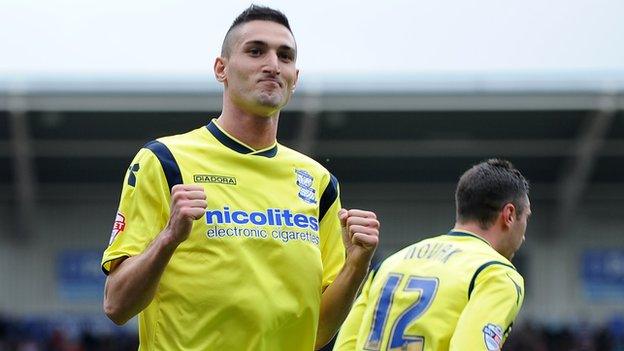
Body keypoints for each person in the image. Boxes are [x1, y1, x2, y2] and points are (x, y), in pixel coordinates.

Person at [100, 5, 379, 350]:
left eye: (285, 56)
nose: (273, 65)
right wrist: (169, 238)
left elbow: (316, 332)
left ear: (295, 78)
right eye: (256, 51)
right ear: (222, 69)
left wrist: (357, 263)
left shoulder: (319, 182)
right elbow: (116, 305)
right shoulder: (165, 161)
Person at [334, 159, 531, 351]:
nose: (523, 236)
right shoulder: (495, 273)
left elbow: (345, 345)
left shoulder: (389, 264)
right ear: (510, 215)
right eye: (527, 217)